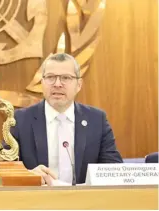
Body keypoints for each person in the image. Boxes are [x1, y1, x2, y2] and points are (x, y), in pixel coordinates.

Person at [11, 53, 122, 185]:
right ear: (42, 83)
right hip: (37, 202)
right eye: (51, 77)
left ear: (79, 85)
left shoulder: (97, 120)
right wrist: (28, 175)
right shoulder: (20, 119)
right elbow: (4, 167)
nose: (57, 84)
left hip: (84, 202)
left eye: (66, 78)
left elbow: (113, 168)